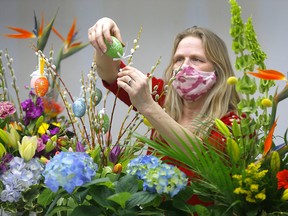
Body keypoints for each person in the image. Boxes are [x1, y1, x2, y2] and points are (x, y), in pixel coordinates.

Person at [88, 17, 241, 205]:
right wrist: (104, 37)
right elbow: (110, 73)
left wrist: (148, 106)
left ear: (218, 69)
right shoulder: (163, 96)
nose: (185, 66)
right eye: (179, 59)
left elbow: (199, 157)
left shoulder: (234, 123)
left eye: (196, 59)